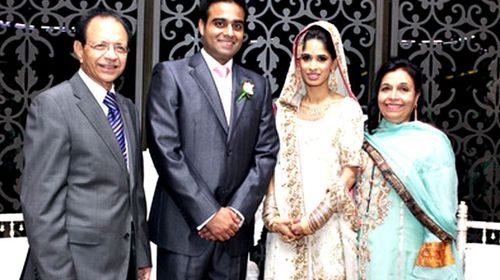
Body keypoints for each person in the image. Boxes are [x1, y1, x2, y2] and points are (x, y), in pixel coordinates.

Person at [145, 0, 279, 279]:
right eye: (220, 23)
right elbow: (165, 150)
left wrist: (236, 214)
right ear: (202, 26)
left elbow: (265, 152)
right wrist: (208, 214)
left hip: (233, 234)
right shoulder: (171, 74)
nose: (229, 32)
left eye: (237, 25)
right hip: (183, 229)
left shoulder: (257, 84)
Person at [20, 8, 151, 280]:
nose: (111, 56)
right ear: (79, 49)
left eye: (120, 48)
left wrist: (142, 257)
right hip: (75, 266)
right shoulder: (54, 106)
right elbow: (41, 208)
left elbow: (133, 191)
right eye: (100, 46)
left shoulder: (127, 108)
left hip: (123, 263)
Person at [262, 21, 364, 280]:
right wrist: (271, 215)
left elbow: (350, 170)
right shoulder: (283, 111)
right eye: (306, 57)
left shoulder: (347, 110)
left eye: (321, 58)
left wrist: (314, 219)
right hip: (285, 228)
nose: (313, 66)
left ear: (333, 62)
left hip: (328, 229)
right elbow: (271, 165)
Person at [355, 58, 463, 279]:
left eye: (403, 89)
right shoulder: (365, 139)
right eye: (386, 88)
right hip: (362, 258)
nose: (393, 96)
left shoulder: (432, 143)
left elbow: (440, 219)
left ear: (416, 98)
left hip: (406, 260)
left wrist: (426, 272)